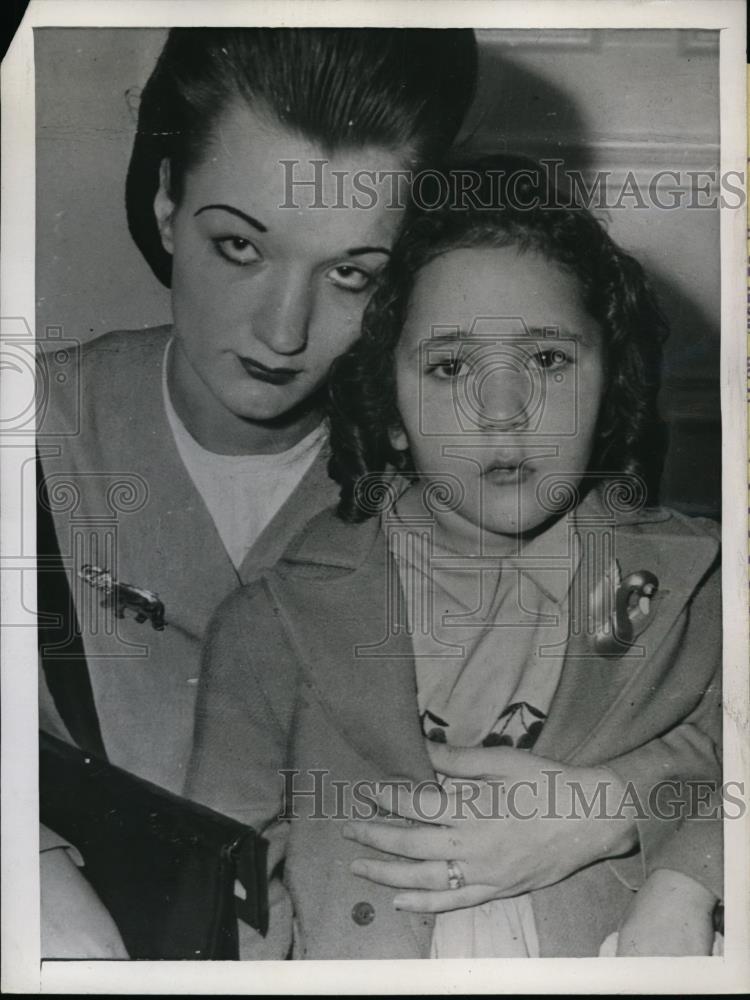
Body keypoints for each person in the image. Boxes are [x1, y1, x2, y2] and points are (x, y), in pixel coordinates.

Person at [186, 160, 722, 959]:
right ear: (390, 411)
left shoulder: (699, 581)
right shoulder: (272, 623)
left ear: (609, 388)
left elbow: (726, 754)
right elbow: (223, 895)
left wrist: (684, 878)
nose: (501, 413)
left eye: (547, 361)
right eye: (448, 367)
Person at [36, 27, 478, 957]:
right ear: (166, 205)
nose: (284, 331)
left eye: (352, 274)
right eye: (240, 246)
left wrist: (609, 819)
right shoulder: (28, 431)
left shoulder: (455, 487)